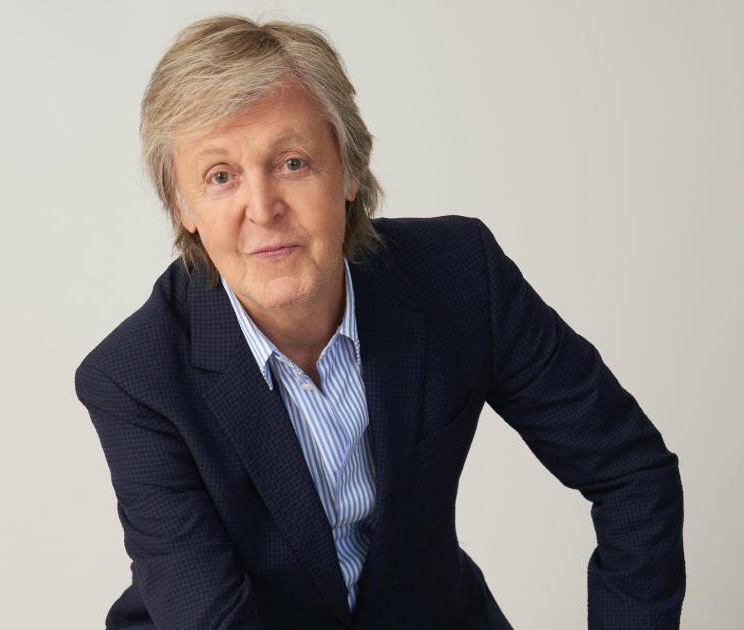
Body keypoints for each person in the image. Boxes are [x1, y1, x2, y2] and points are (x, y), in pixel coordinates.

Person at [74, 14, 686, 630]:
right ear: (182, 206)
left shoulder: (460, 277)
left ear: (349, 170)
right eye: (220, 176)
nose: (262, 209)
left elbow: (630, 472)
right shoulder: (135, 378)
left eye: (292, 162)